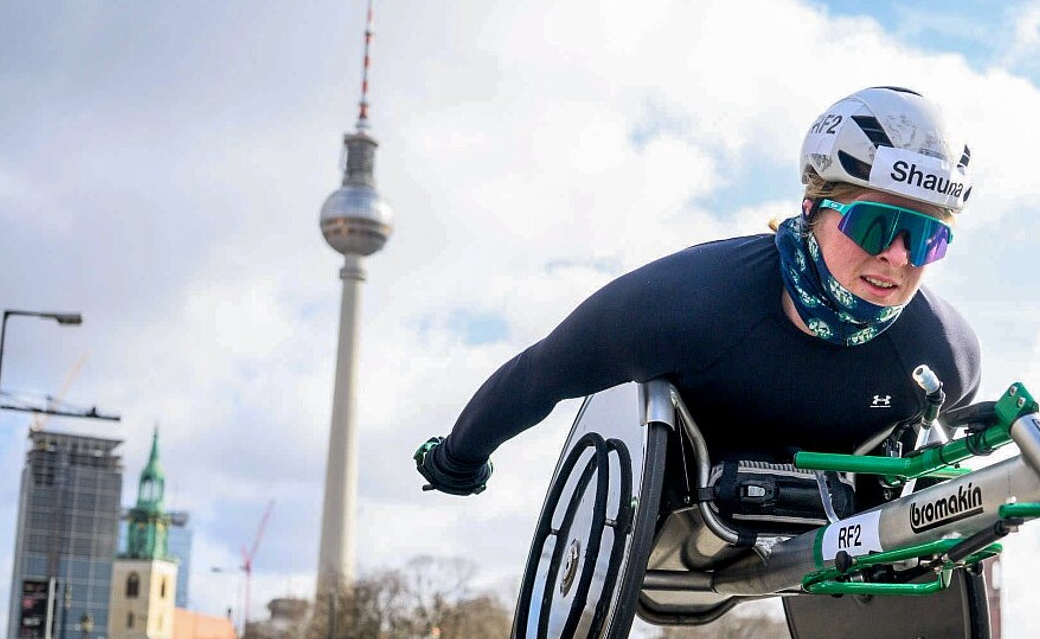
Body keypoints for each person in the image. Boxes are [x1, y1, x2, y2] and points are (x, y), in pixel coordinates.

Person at [413, 86, 980, 506]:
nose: (900, 258)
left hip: (845, 507)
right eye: (878, 226)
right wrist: (458, 458)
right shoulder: (683, 304)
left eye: (929, 238)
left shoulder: (946, 353)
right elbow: (547, 370)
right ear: (813, 210)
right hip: (678, 490)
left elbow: (950, 453)